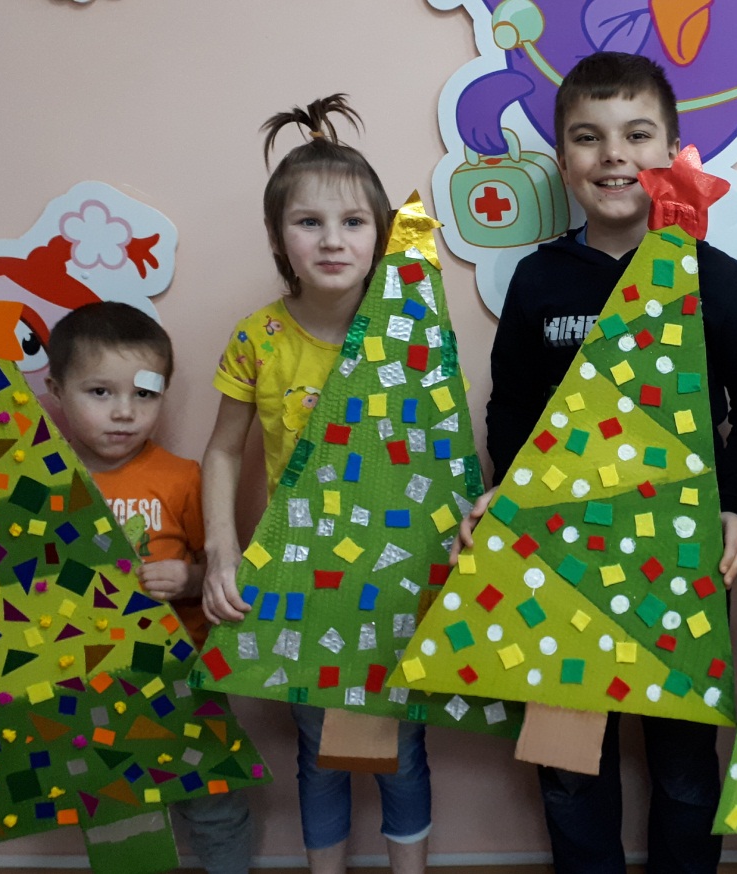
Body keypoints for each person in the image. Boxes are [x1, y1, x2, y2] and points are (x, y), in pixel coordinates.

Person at [453, 52, 737, 874]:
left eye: (636, 135)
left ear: (671, 152)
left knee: (683, 768)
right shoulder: (538, 280)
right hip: (560, 559)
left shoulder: (712, 278)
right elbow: (510, 409)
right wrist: (507, 499)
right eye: (587, 137)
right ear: (562, 160)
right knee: (568, 768)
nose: (612, 155)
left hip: (682, 558)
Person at [198, 95, 430, 874]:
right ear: (277, 238)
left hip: (392, 576)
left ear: (381, 235)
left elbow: (436, 456)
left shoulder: (407, 336)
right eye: (309, 222)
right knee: (318, 746)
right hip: (295, 578)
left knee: (397, 747)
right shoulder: (259, 338)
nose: (332, 240)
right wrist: (223, 550)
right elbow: (222, 451)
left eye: (353, 222)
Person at [0, 301, 254, 874]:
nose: (125, 412)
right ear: (57, 392)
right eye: (100, 392)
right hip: (83, 691)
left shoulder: (184, 478)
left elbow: (222, 575)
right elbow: (11, 573)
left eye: (145, 394)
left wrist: (189, 578)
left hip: (179, 681)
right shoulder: (33, 486)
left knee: (214, 805)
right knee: (118, 818)